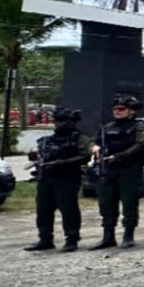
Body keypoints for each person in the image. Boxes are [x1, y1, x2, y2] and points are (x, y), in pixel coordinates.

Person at [90, 94, 144, 249]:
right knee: (106, 203)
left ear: (131, 111)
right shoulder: (108, 127)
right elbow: (93, 140)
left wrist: (118, 156)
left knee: (129, 203)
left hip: (129, 169)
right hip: (108, 169)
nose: (117, 112)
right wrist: (94, 147)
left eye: (121, 109)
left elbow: (142, 144)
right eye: (115, 109)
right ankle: (108, 236)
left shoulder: (139, 126)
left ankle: (128, 235)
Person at [24, 107, 90, 253]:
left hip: (67, 177)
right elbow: (38, 155)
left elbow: (85, 157)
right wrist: (34, 156)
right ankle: (45, 239)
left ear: (71, 122)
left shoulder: (80, 138)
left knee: (68, 209)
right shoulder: (48, 139)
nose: (57, 123)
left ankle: (71, 239)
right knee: (43, 209)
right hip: (46, 177)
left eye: (61, 121)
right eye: (56, 120)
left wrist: (61, 163)